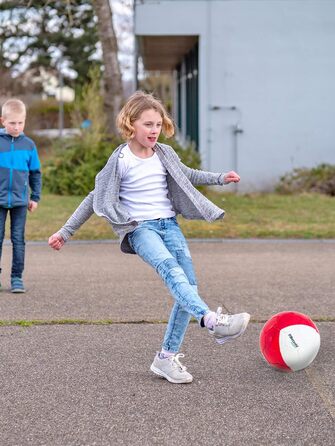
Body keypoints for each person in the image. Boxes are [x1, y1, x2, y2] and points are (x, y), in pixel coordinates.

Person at [48, 91, 250, 384]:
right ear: (131, 124)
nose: (154, 130)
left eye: (158, 124)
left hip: (170, 226)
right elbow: (95, 197)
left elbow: (187, 174)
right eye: (147, 124)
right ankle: (211, 321)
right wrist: (65, 232)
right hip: (140, 229)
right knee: (171, 270)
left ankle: (166, 359)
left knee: (188, 287)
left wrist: (220, 178)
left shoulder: (165, 154)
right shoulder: (120, 159)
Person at [0, 98, 42, 293]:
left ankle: (17, 277)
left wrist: (35, 198)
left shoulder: (29, 145)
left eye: (20, 123)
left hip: (19, 202)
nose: (17, 127)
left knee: (18, 239)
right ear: (3, 121)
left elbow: (35, 173)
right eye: (12, 123)